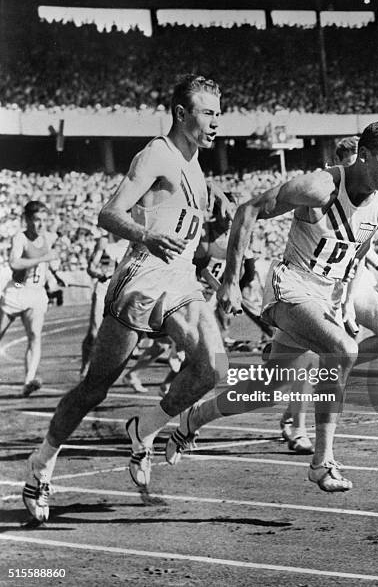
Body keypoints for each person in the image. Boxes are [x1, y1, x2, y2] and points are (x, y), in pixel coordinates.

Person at [163, 121, 378, 493]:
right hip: (291, 287)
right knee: (342, 350)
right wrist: (231, 280)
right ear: (364, 156)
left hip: (329, 291)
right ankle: (322, 463)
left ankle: (194, 418)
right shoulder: (320, 187)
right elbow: (248, 210)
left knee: (271, 386)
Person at [23, 74, 229, 522]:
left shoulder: (196, 166)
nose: (217, 121)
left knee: (212, 368)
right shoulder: (157, 153)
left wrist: (213, 262)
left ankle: (145, 427)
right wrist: (145, 235)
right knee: (95, 388)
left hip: (179, 282)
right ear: (181, 113)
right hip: (141, 277)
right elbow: (109, 213)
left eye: (218, 112)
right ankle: (40, 465)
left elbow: (186, 238)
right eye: (208, 112)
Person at [280, 136, 378, 453]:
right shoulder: (326, 190)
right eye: (346, 163)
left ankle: (337, 369)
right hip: (313, 279)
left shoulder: (376, 195)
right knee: (306, 354)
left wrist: (348, 303)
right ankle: (297, 424)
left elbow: (359, 257)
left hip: (353, 281)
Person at [0, 201, 62, 397]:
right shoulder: (20, 237)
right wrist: (43, 259)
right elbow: (14, 263)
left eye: (43, 220)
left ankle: (29, 381)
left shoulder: (48, 238)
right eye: (36, 220)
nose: (40, 225)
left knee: (35, 336)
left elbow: (47, 266)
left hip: (36, 293)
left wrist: (54, 278)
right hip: (17, 290)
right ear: (27, 220)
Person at [80, 233, 129, 383]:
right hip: (103, 287)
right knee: (94, 332)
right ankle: (85, 365)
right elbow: (91, 267)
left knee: (117, 335)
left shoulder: (132, 241)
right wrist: (98, 273)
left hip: (122, 290)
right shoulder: (104, 241)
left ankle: (105, 371)